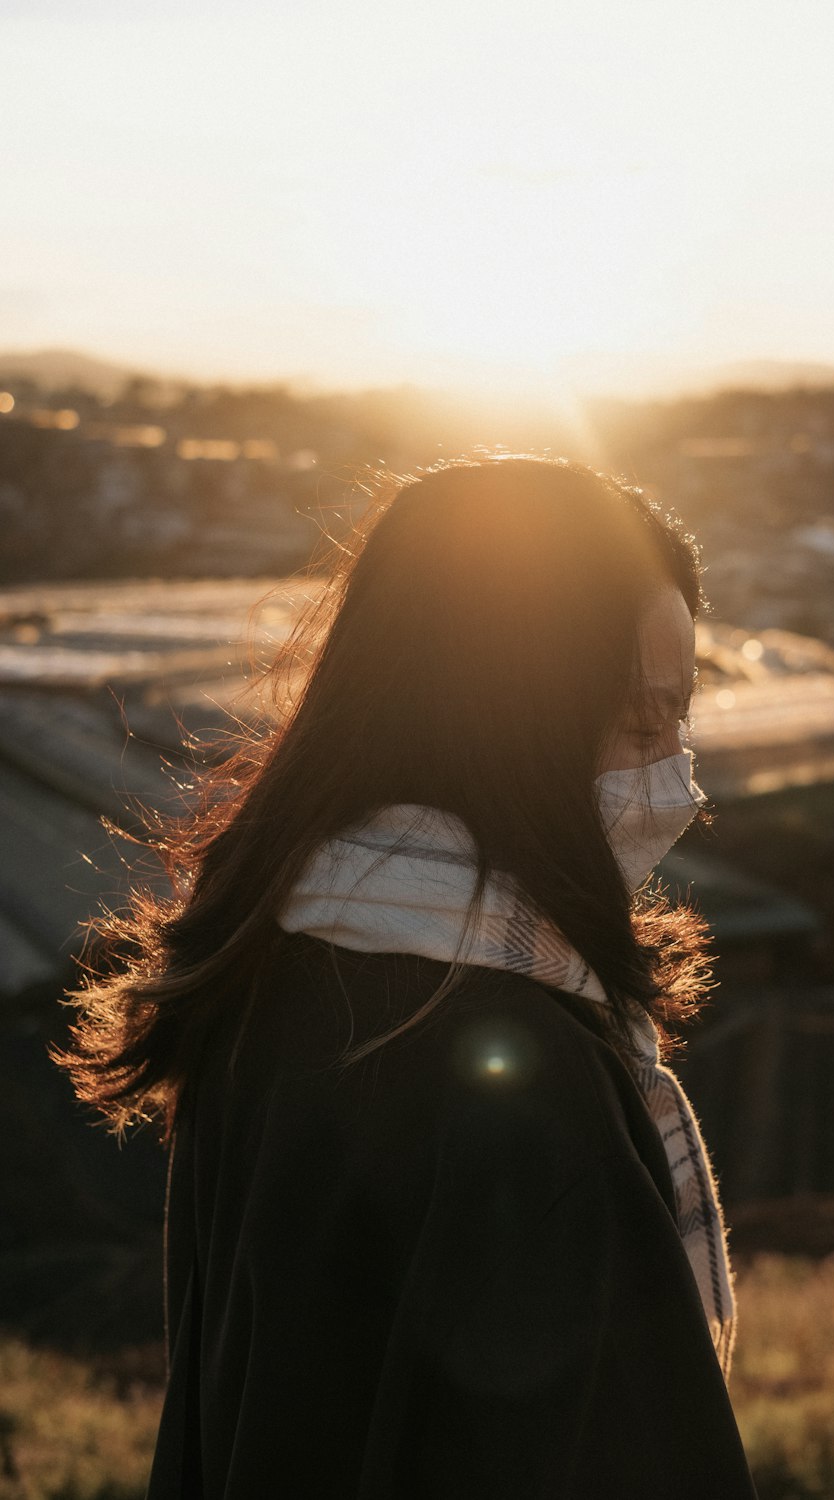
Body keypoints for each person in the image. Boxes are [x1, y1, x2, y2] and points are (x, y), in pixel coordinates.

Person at [54, 455, 759, 1497]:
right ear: (505, 713)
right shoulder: (522, 1080)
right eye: (637, 720)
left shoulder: (268, 976)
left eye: (680, 717)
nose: (673, 773)